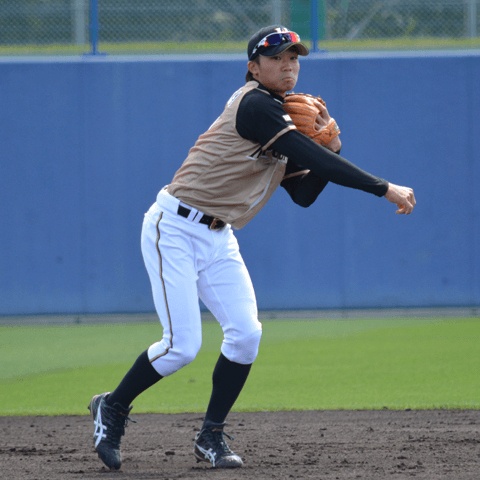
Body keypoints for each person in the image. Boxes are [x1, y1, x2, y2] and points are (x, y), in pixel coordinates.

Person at [88, 25, 416, 471]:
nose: (288, 65)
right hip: (175, 228)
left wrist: (333, 142)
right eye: (277, 57)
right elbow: (317, 161)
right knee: (182, 346)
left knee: (246, 335)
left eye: (293, 58)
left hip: (219, 236)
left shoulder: (284, 117)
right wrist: (384, 188)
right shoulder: (254, 105)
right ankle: (113, 407)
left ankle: (210, 435)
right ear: (253, 67)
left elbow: (304, 194)